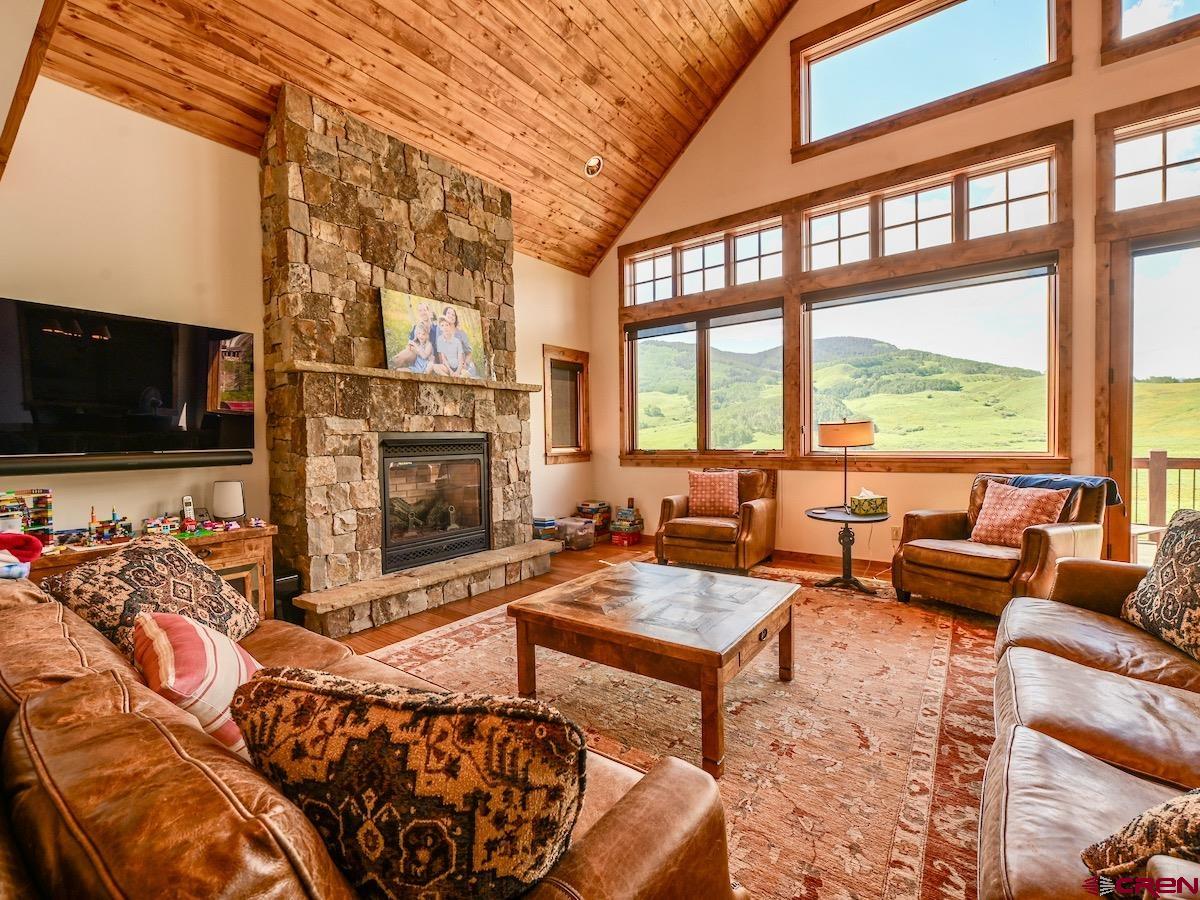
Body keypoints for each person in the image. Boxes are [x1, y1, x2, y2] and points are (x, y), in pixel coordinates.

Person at [389, 301, 439, 370]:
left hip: (429, 356)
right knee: (399, 358)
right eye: (420, 311)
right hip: (417, 353)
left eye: (424, 310)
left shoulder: (436, 328)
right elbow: (410, 345)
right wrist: (416, 350)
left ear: (429, 312)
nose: (422, 312)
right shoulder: (416, 327)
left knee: (402, 358)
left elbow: (439, 347)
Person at [432, 306, 478, 377]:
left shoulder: (461, 334)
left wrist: (465, 364)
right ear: (444, 316)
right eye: (448, 313)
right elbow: (441, 355)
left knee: (464, 373)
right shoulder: (440, 330)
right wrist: (449, 369)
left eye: (453, 315)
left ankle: (460, 375)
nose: (450, 316)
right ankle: (450, 378)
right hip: (448, 365)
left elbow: (468, 353)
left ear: (455, 318)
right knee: (436, 367)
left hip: (461, 365)